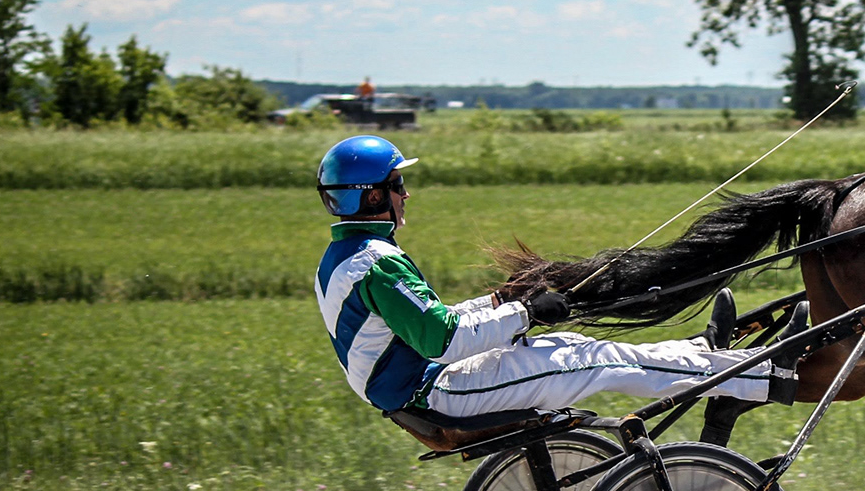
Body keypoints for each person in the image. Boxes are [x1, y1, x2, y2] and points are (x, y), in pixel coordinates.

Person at [313, 135, 805, 421]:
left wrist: (496, 302)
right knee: (597, 359)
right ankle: (760, 374)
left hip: (421, 384)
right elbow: (441, 339)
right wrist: (525, 311)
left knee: (571, 344)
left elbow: (430, 322)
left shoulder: (342, 257)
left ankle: (699, 357)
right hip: (435, 391)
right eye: (398, 184)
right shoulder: (377, 263)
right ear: (372, 197)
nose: (406, 195)